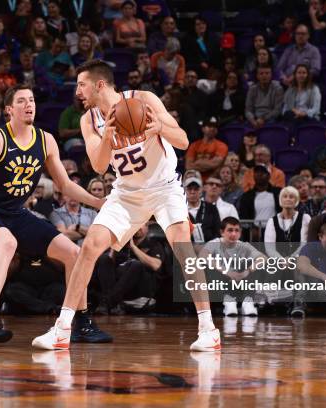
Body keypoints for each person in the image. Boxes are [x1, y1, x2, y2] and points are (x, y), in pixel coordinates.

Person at [32, 60, 220, 351]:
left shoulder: (143, 100)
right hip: (126, 193)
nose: (78, 91)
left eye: (81, 85)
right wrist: (108, 134)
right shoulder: (88, 120)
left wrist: (160, 126)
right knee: (90, 246)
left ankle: (208, 329)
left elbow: (182, 141)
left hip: (164, 187)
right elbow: (98, 165)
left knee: (183, 247)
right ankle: (62, 329)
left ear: (99, 84)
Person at [0, 85, 108, 344]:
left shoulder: (46, 140)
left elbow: (64, 185)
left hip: (16, 212)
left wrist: (97, 202)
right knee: (7, 244)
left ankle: (80, 321)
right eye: (21, 101)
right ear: (9, 110)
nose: (29, 104)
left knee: (74, 253)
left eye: (31, 99)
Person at [199, 217, 266, 316]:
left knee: (257, 264)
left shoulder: (244, 245)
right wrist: (226, 271)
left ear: (240, 232)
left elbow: (263, 258)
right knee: (208, 264)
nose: (233, 234)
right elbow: (202, 255)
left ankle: (248, 301)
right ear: (222, 232)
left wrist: (246, 272)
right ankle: (228, 302)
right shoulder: (215, 243)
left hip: (240, 283)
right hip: (221, 284)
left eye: (236, 230)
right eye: (230, 230)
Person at [184, 175, 222, 243]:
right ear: (184, 191)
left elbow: (218, 231)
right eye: (189, 189)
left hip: (209, 248)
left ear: (201, 191)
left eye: (196, 189)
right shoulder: (179, 210)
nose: (192, 192)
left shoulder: (211, 208)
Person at [245, 65, 284, 129]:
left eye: (267, 73)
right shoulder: (252, 89)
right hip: (255, 118)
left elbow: (277, 110)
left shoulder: (278, 89)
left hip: (270, 118)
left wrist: (263, 119)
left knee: (271, 124)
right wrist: (253, 121)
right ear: (257, 76)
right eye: (261, 73)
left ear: (271, 75)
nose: (264, 75)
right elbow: (248, 110)